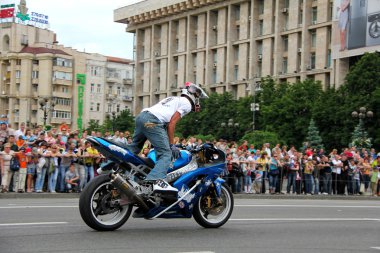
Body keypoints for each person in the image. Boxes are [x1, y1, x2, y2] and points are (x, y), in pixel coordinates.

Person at [126, 82, 208, 192]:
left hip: (143, 118)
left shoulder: (173, 98)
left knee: (134, 148)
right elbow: (171, 124)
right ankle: (155, 180)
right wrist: (171, 145)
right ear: (193, 95)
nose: (198, 100)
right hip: (152, 122)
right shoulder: (187, 104)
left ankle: (109, 167)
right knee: (166, 153)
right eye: (197, 97)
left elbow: (164, 123)